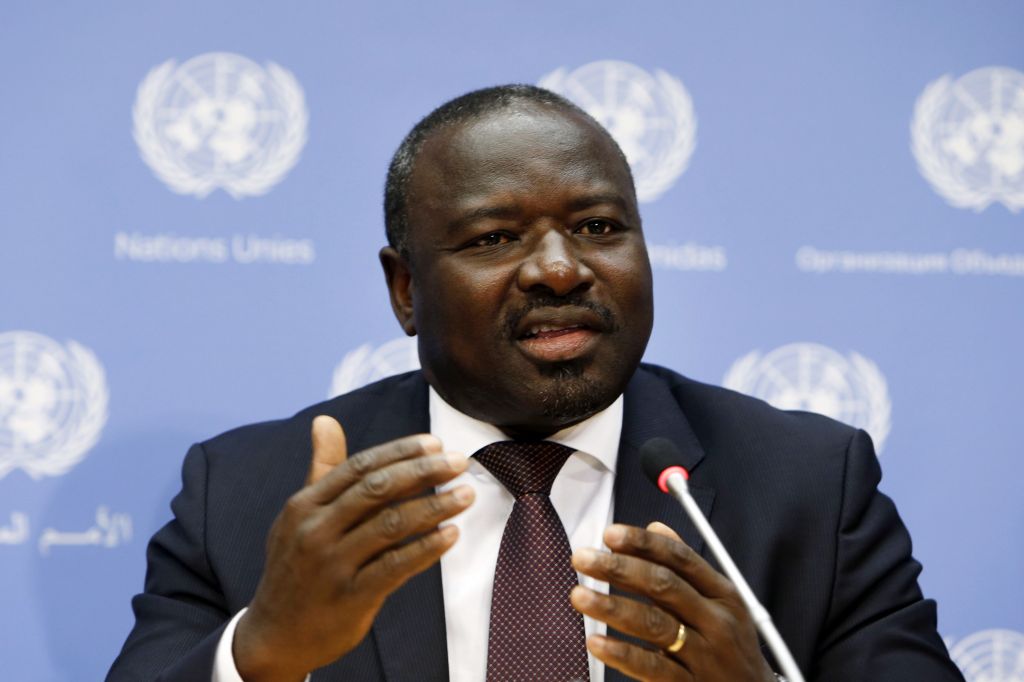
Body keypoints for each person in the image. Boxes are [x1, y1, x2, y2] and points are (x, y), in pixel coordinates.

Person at [108, 85, 964, 682]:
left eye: (598, 227)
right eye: (494, 238)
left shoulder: (807, 484)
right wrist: (261, 651)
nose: (560, 269)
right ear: (405, 289)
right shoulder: (248, 494)